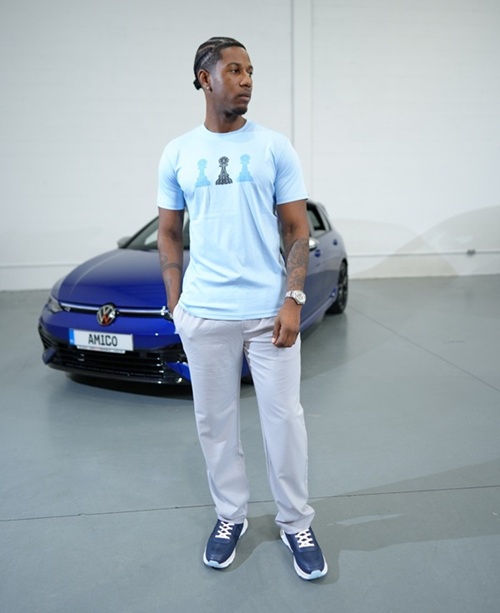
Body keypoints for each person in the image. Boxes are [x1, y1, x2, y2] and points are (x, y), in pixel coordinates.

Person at [157, 36, 327, 581]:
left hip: (268, 313)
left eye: (250, 70)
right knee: (216, 424)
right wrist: (176, 304)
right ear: (204, 79)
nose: (247, 79)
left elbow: (296, 228)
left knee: (285, 423)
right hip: (205, 314)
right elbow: (168, 231)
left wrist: (293, 299)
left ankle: (295, 521)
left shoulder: (275, 147)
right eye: (234, 70)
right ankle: (230, 516)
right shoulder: (178, 152)